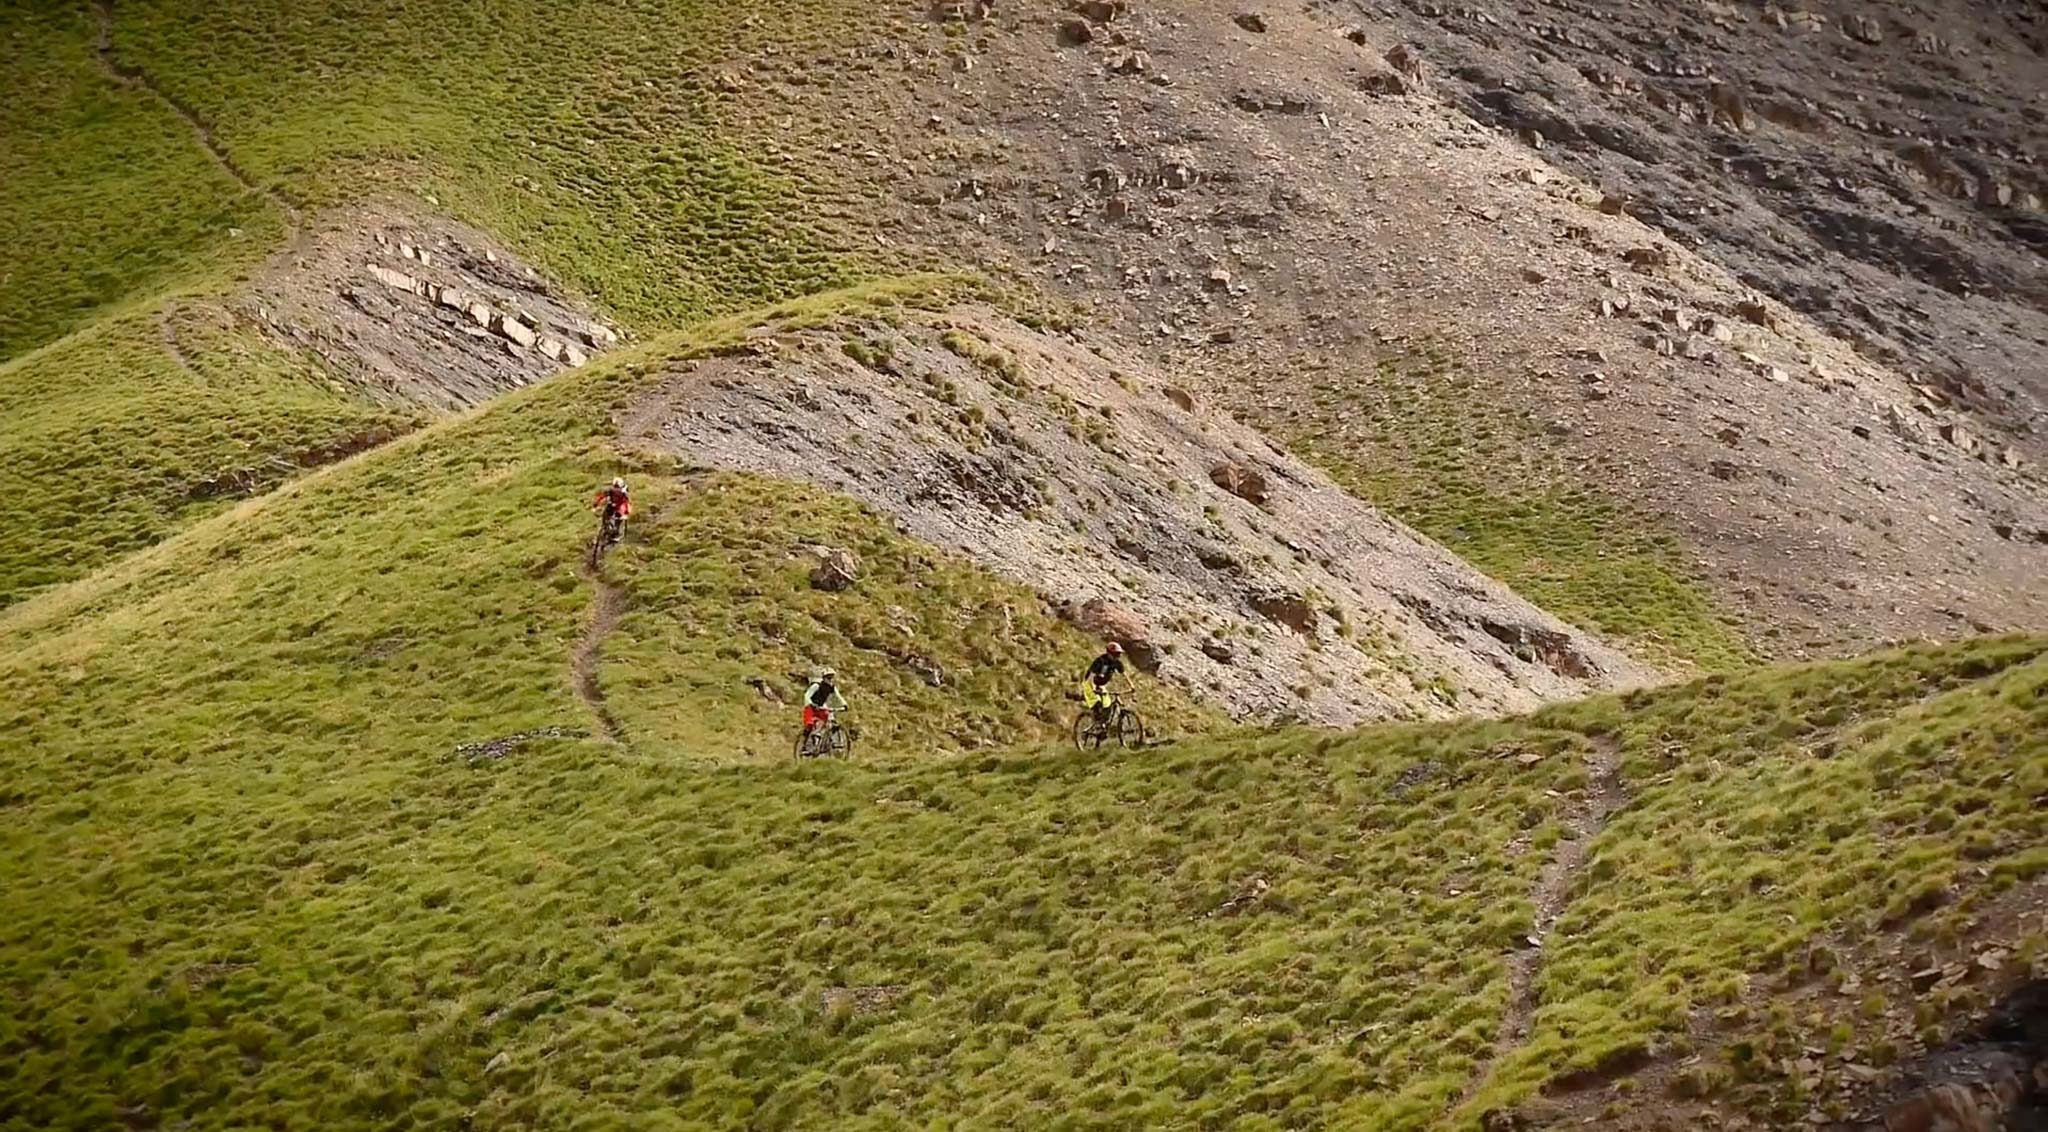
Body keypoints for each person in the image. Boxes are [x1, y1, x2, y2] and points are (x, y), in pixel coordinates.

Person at [1080, 642, 1131, 722]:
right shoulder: (1100, 661)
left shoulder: (1117, 663)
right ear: (1109, 653)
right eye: (1116, 654)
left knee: (1107, 705)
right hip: (1090, 684)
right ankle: (1096, 724)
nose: (1117, 656)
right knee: (1098, 703)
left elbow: (1124, 675)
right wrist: (1094, 689)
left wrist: (1131, 686)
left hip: (1100, 686)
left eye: (1119, 654)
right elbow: (1091, 676)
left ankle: (1103, 726)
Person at [802, 666, 848, 736]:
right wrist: (810, 704)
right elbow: (807, 695)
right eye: (829, 678)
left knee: (827, 719)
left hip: (821, 706)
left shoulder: (832, 687)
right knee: (809, 724)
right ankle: (806, 738)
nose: (830, 680)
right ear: (824, 678)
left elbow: (838, 696)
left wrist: (844, 704)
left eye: (832, 678)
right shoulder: (817, 685)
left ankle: (822, 738)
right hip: (811, 707)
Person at [591, 477, 631, 543]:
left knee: (605, 519)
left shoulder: (610, 490)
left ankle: (605, 530)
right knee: (618, 521)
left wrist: (595, 505)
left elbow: (601, 497)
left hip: (611, 506)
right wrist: (626, 513)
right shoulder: (623, 492)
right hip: (619, 508)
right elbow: (626, 503)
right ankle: (614, 535)